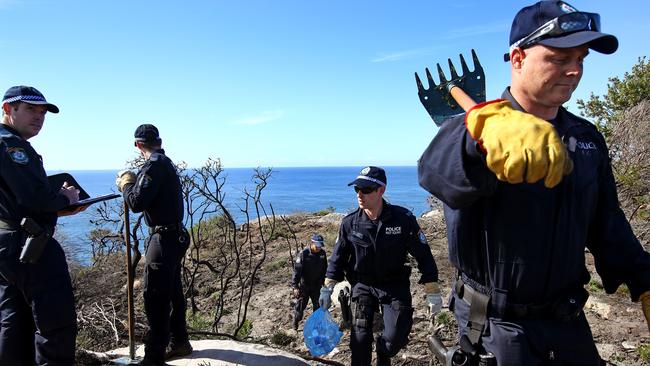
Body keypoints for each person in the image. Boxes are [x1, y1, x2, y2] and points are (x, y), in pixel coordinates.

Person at [417, 1, 650, 365]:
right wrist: (478, 138)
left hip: (569, 322)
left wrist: (644, 279)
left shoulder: (584, 139)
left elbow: (606, 222)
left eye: (581, 59)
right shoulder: (476, 134)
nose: (574, 71)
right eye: (559, 58)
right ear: (518, 58)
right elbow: (436, 173)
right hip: (496, 329)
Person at [320, 166, 442, 366]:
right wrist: (327, 288)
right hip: (363, 285)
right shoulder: (350, 223)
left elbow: (423, 254)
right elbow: (337, 257)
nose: (360, 194)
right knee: (359, 342)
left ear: (381, 190)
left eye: (366, 189)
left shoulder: (403, 219)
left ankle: (383, 351)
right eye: (357, 189)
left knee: (394, 340)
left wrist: (432, 288)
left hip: (394, 285)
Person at [0, 86, 84, 365]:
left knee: (14, 321)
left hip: (7, 242)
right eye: (30, 110)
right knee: (56, 323)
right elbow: (33, 196)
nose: (39, 117)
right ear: (8, 109)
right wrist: (65, 198)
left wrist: (57, 207)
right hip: (29, 245)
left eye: (42, 112)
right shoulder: (11, 146)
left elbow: (15, 200)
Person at [116, 124, 192, 366]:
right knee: (173, 292)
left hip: (164, 239)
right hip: (176, 235)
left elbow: (137, 202)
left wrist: (126, 184)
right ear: (159, 140)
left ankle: (153, 357)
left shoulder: (154, 165)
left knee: (156, 298)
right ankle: (180, 341)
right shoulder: (165, 161)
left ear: (138, 145)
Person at [291, 233, 328, 330]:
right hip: (304, 286)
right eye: (317, 245)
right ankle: (296, 320)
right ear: (312, 243)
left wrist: (324, 282)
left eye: (321, 245)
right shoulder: (304, 254)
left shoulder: (322, 254)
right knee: (300, 308)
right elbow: (297, 271)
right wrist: (295, 286)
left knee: (318, 307)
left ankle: (315, 327)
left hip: (317, 285)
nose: (319, 248)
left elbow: (325, 268)